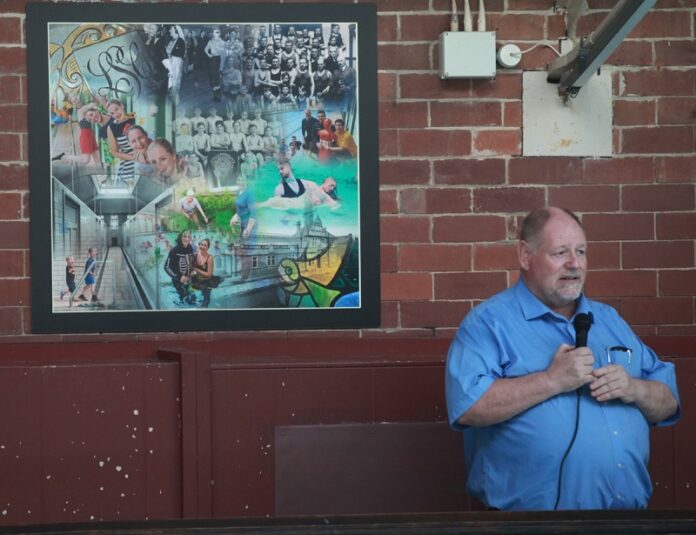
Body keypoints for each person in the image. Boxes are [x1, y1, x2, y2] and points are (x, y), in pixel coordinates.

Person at [445, 207, 680, 511]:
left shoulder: (610, 321)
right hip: (529, 526)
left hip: (629, 521)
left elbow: (668, 400)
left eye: (580, 251)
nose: (574, 263)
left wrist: (634, 389)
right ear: (525, 256)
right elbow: (468, 407)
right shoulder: (487, 324)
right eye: (560, 252)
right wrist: (551, 380)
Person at [164, 230, 196, 306]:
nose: (187, 239)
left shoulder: (190, 248)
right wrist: (179, 277)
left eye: (189, 237)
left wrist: (193, 270)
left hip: (188, 279)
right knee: (184, 299)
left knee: (193, 299)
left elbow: (191, 262)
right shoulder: (174, 250)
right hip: (178, 281)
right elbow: (167, 267)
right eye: (185, 236)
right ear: (180, 237)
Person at [191, 238, 222, 308]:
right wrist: (192, 272)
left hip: (207, 281)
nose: (202, 247)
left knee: (206, 299)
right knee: (193, 297)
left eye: (205, 245)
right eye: (201, 244)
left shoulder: (210, 258)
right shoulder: (195, 255)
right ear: (199, 245)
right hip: (197, 279)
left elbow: (209, 274)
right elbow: (191, 268)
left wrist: (196, 270)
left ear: (208, 248)